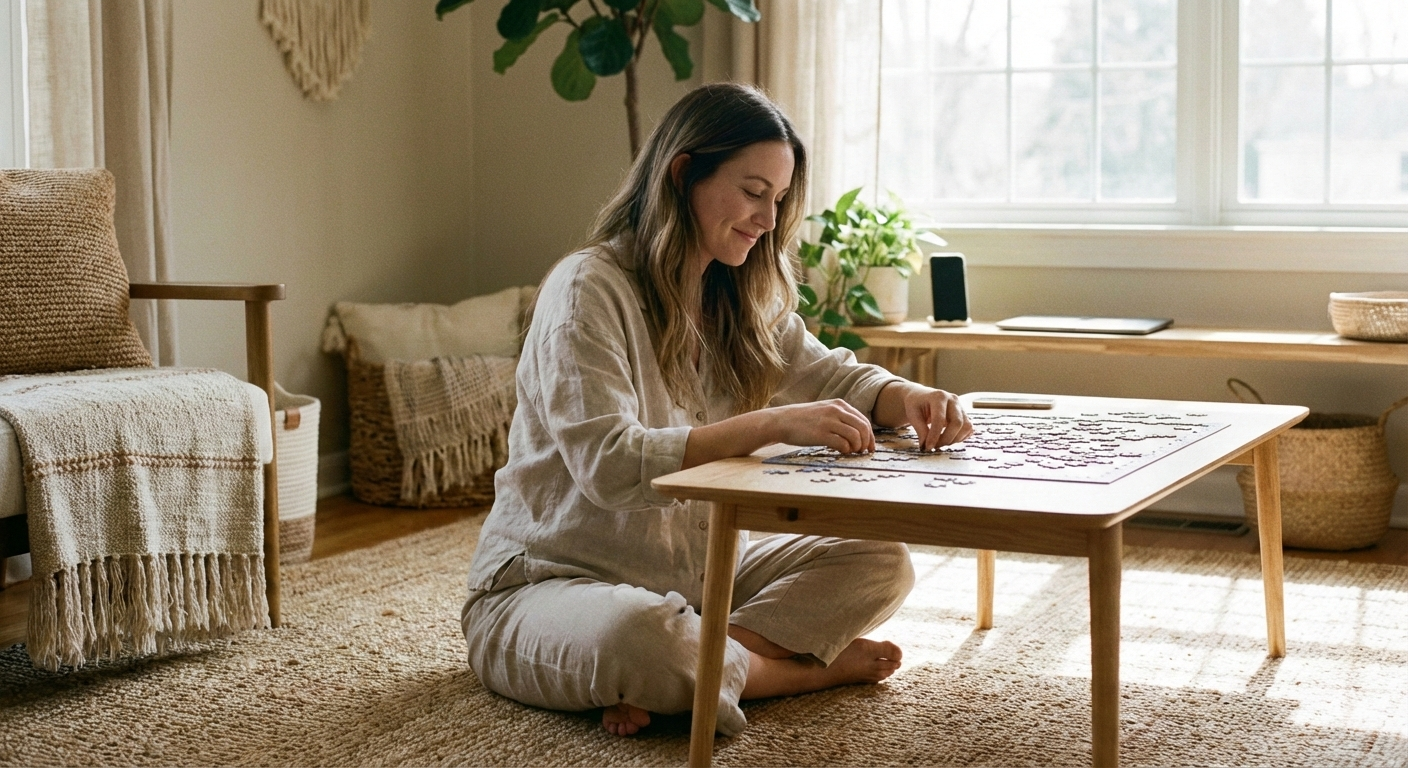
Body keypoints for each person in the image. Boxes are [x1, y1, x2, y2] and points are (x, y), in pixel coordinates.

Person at [461, 82, 973, 738]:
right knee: (642, 640)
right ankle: (791, 672)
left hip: (698, 579)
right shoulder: (588, 289)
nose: (768, 219)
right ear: (683, 175)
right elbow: (609, 466)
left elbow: (833, 374)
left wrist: (907, 397)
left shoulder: (735, 292)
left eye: (780, 199)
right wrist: (771, 424)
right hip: (547, 585)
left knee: (881, 559)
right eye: (754, 192)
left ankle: (697, 670)